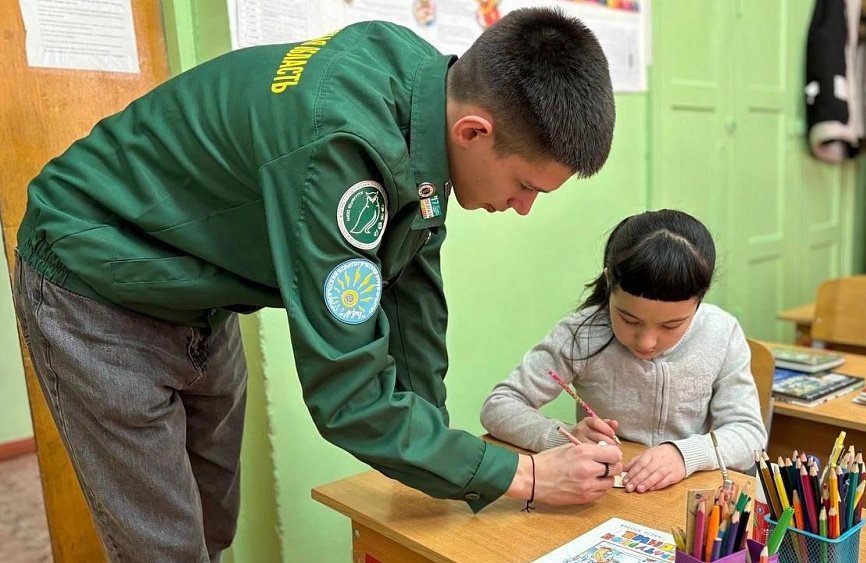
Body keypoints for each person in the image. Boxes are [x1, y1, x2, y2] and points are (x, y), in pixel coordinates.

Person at [12, 8, 620, 562]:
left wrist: (442, 459)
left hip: (195, 290)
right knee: (165, 549)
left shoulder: (426, 95)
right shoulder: (340, 151)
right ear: (473, 133)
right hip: (94, 282)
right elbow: (348, 398)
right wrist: (524, 476)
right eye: (527, 187)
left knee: (214, 520)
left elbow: (413, 292)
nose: (522, 208)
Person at [480, 209, 767, 494]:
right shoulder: (582, 333)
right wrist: (563, 438)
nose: (646, 342)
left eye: (671, 325)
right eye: (630, 320)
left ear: (699, 301)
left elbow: (749, 435)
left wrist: (685, 454)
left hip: (689, 497)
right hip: (606, 496)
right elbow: (499, 406)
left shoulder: (721, 333)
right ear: (609, 283)